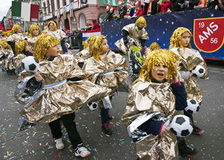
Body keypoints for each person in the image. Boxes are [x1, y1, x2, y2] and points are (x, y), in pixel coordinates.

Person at [14, 34, 111, 158]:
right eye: (54, 46)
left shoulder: (65, 59)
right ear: (44, 49)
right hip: (49, 98)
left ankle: (78, 145)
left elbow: (75, 74)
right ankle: (57, 137)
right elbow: (27, 87)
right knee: (53, 120)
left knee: (69, 120)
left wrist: (83, 84)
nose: (58, 47)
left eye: (58, 44)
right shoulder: (37, 65)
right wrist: (37, 80)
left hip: (65, 95)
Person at [122, 49, 197, 159]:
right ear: (149, 67)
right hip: (149, 138)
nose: (161, 69)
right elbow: (130, 118)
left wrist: (177, 85)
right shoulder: (140, 88)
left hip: (168, 135)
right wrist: (156, 127)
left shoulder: (168, 85)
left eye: (165, 66)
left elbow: (180, 105)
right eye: (157, 65)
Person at [82, 35, 129, 135]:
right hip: (102, 86)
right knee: (104, 103)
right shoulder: (92, 60)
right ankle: (105, 123)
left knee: (110, 99)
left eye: (107, 43)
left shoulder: (110, 54)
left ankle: (106, 112)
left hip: (112, 83)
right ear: (97, 46)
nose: (107, 45)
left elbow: (118, 61)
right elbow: (88, 73)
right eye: (104, 44)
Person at [169, 27, 208, 135]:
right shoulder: (173, 52)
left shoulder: (192, 52)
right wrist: (186, 74)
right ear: (177, 38)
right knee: (176, 106)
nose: (187, 40)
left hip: (190, 84)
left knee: (189, 105)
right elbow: (171, 71)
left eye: (189, 37)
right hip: (177, 84)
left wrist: (197, 71)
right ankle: (174, 128)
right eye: (184, 37)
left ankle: (190, 125)